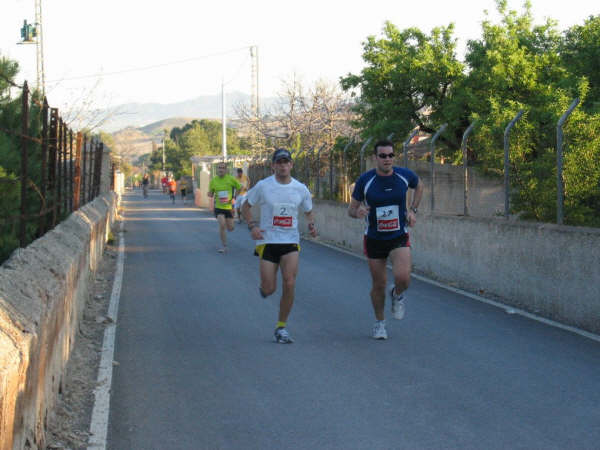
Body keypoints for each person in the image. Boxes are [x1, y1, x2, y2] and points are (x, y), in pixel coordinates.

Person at [347, 139, 423, 340]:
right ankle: (380, 323)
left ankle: (397, 294)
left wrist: (413, 210)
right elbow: (351, 210)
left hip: (398, 234)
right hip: (374, 238)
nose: (387, 159)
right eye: (383, 155)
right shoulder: (365, 180)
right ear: (375, 158)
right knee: (379, 284)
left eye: (391, 155)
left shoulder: (404, 176)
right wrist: (359, 212)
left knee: (403, 277)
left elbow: (419, 186)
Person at [241, 148, 317, 344]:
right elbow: (245, 206)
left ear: (291, 165)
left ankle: (281, 327)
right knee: (269, 289)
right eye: (279, 162)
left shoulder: (300, 188)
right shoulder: (263, 186)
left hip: (290, 241)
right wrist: (252, 226)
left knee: (289, 282)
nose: (283, 165)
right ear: (273, 165)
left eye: (286, 162)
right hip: (267, 241)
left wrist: (311, 225)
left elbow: (309, 211)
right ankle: (264, 289)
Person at [208, 163, 241, 253]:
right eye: (219, 168)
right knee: (222, 225)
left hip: (229, 207)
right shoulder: (213, 180)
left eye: (223, 168)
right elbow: (210, 194)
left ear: (226, 170)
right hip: (218, 207)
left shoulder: (231, 179)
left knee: (231, 228)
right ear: (217, 169)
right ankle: (224, 246)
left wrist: (234, 197)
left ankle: (227, 223)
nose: (221, 170)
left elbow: (239, 187)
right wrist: (209, 194)